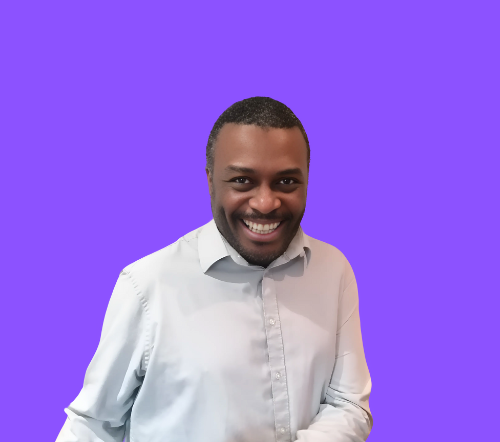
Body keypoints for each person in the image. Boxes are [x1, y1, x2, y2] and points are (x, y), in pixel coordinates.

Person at [56, 97, 373, 442]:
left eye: (286, 182)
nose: (265, 203)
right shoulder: (147, 286)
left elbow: (348, 403)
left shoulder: (334, 271)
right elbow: (93, 426)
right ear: (210, 181)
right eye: (242, 180)